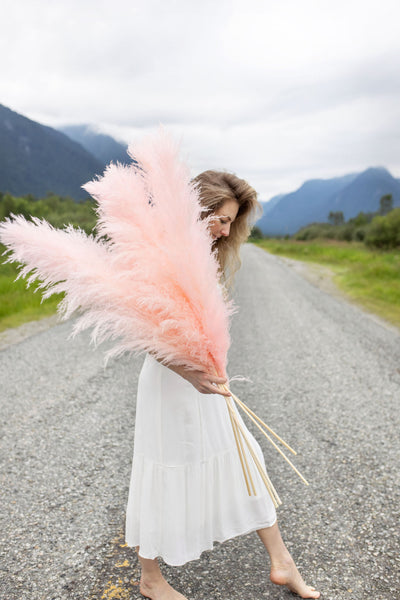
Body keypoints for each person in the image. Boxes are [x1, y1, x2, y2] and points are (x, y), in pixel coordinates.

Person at [125, 170, 320, 599]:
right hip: (171, 382)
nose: (226, 230)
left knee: (245, 456)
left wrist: (211, 363)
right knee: (163, 470)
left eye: (232, 222)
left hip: (206, 378)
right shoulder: (161, 253)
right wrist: (191, 373)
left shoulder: (204, 255)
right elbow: (145, 331)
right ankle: (151, 579)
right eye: (220, 218)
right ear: (198, 208)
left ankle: (282, 562)